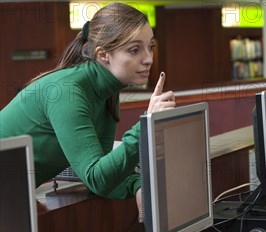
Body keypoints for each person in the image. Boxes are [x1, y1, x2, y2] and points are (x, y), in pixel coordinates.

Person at [0, 3, 175, 211]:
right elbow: (97, 178)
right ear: (103, 55)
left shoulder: (106, 92)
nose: (148, 59)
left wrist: (137, 185)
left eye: (150, 47)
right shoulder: (67, 91)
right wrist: (145, 125)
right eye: (134, 50)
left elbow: (102, 175)